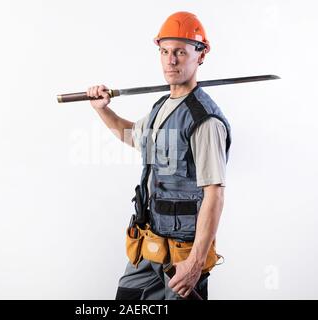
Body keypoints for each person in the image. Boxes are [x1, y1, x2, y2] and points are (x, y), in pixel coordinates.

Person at [87, 11, 232, 300]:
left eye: (180, 51)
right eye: (164, 51)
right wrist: (103, 109)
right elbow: (132, 135)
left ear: (200, 56)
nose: (171, 59)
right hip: (148, 246)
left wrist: (194, 264)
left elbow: (214, 195)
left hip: (182, 256)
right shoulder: (161, 107)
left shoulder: (204, 120)